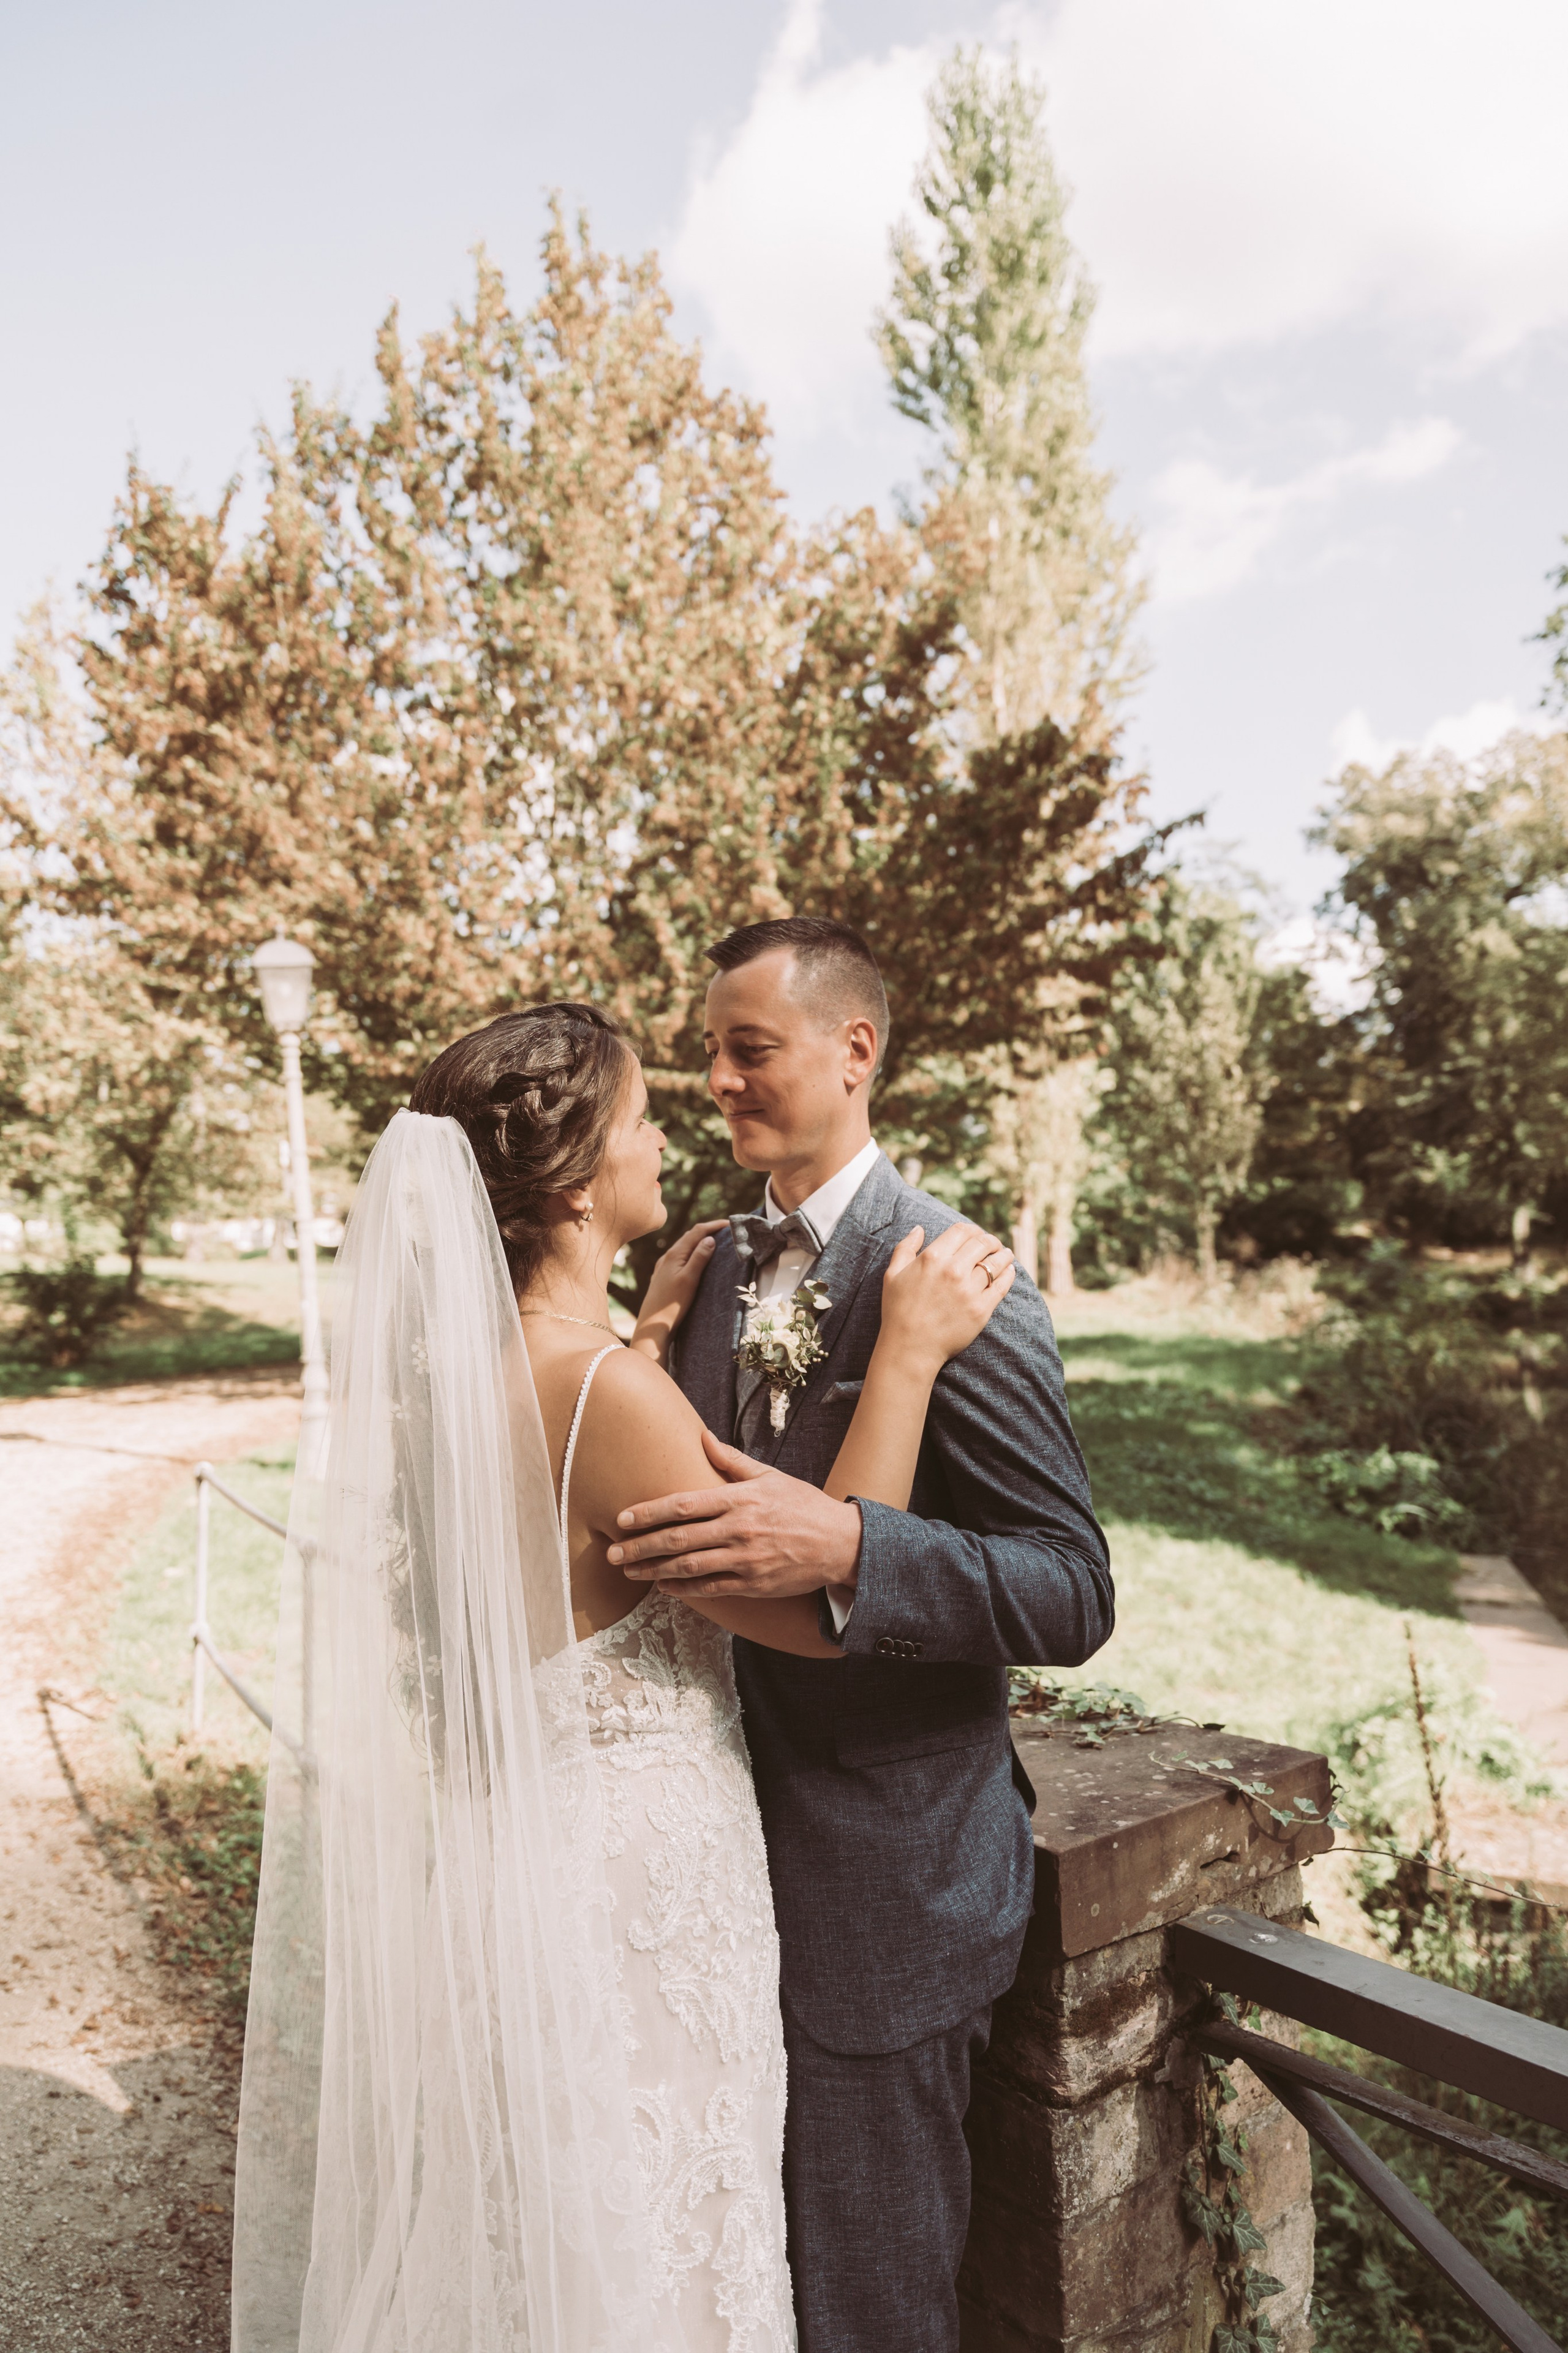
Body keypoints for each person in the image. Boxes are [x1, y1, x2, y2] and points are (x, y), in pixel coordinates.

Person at [231, 998, 1017, 2353]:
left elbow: (566, 1526)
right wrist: (904, 1356)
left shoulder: (465, 1375)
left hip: (507, 1855)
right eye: (645, 1116)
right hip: (638, 1895)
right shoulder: (603, 1393)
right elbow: (825, 1608)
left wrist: (641, 1347)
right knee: (659, 2245)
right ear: (583, 1176)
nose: (673, 1132)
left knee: (547, 2232)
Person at [608, 918, 1114, 2353]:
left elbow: (1069, 1586)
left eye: (746, 1047)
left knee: (868, 2302)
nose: (713, 1078)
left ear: (854, 1049)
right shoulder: (705, 1266)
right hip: (703, 1870)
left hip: (883, 1888)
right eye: (706, 1052)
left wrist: (855, 1547)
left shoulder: (953, 1276)